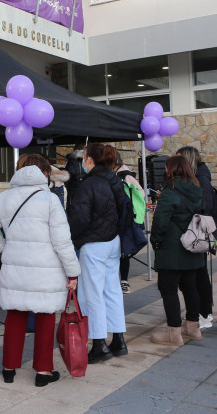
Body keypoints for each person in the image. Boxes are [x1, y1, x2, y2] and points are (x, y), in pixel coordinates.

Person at [0, 154, 80, 387]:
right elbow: (62, 241)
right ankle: (43, 371)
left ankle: (9, 368)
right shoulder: (50, 200)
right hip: (46, 270)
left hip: (15, 268)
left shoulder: (4, 197)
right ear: (44, 173)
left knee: (14, 316)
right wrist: (73, 271)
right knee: (45, 317)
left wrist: (3, 247)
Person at [68, 143, 128, 363]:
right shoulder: (114, 179)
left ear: (90, 160)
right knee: (112, 290)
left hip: (94, 243)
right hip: (113, 241)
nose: (82, 161)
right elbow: (124, 210)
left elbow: (80, 218)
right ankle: (119, 340)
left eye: (83, 157)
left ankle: (99, 344)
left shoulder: (89, 183)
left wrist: (71, 238)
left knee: (92, 294)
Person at [150, 155, 204, 346]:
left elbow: (159, 222)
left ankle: (174, 332)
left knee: (168, 289)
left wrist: (155, 241)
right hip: (193, 245)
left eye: (166, 167)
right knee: (190, 287)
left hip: (172, 249)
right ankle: (193, 328)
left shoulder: (170, 192)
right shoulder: (197, 189)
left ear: (171, 169)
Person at [176, 146, 217, 330]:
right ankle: (201, 312)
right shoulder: (199, 177)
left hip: (197, 235)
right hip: (195, 233)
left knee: (198, 276)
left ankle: (204, 314)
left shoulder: (200, 179)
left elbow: (202, 206)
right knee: (196, 275)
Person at [115, 154, 146, 294]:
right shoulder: (128, 176)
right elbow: (142, 194)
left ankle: (121, 281)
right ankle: (124, 281)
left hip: (123, 219)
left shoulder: (122, 177)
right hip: (129, 218)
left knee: (122, 251)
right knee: (124, 251)